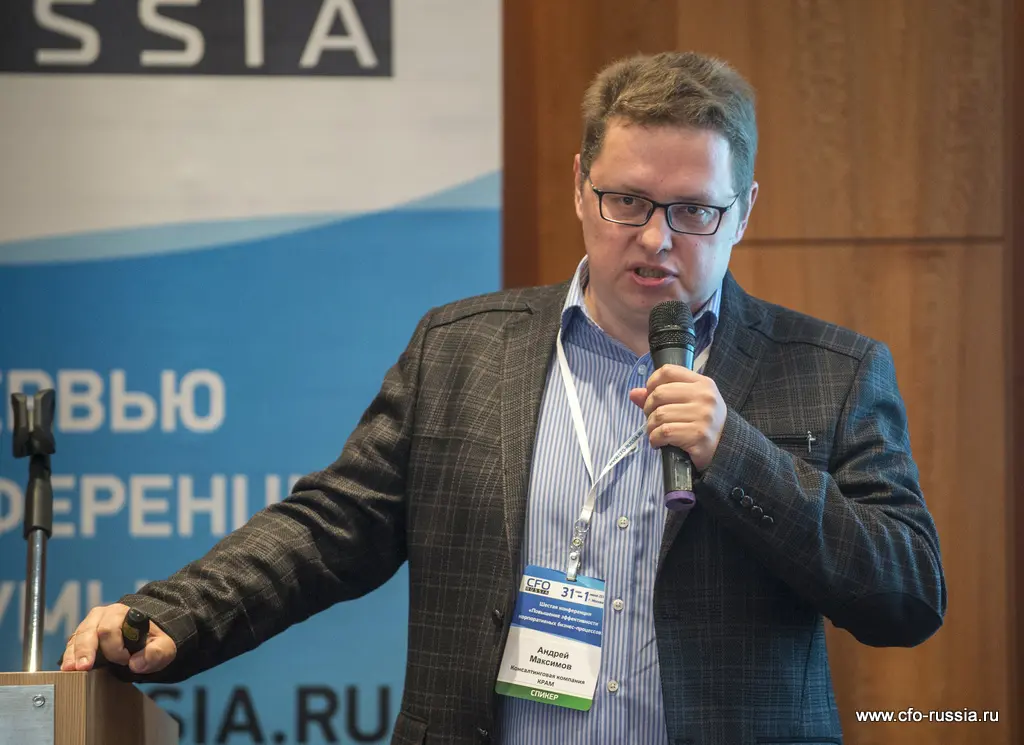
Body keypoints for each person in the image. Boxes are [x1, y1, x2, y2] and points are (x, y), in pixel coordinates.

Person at [62, 51, 946, 745]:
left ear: (743, 211)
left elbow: (907, 593)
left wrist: (737, 453)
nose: (655, 238)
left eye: (693, 210)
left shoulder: (831, 370)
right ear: (578, 186)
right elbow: (330, 526)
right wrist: (180, 614)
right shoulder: (461, 351)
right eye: (627, 200)